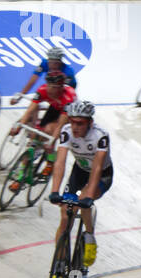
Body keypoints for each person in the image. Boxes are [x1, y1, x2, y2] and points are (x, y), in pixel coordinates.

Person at [47, 100, 112, 268]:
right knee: (65, 215)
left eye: (80, 123)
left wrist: (88, 196)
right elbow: (60, 162)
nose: (75, 127)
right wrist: (55, 191)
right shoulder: (66, 131)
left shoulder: (100, 135)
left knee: (83, 201)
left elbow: (97, 167)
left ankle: (89, 235)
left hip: (101, 175)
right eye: (72, 121)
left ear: (90, 123)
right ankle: (59, 265)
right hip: (79, 172)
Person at [10, 71, 75, 189]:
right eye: (49, 85)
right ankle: (19, 177)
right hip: (54, 108)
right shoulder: (42, 90)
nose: (50, 89)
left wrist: (51, 141)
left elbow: (60, 125)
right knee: (34, 139)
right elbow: (29, 111)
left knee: (50, 131)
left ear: (61, 87)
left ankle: (50, 162)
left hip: (68, 115)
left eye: (54, 87)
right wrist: (19, 126)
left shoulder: (68, 97)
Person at [11, 46, 78, 104]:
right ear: (47, 60)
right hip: (53, 85)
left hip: (68, 86)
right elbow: (32, 81)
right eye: (50, 62)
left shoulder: (68, 72)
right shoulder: (44, 63)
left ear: (61, 62)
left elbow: (64, 91)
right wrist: (20, 96)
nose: (52, 65)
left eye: (55, 63)